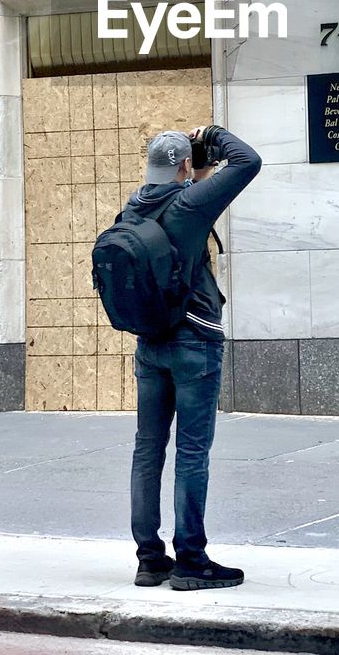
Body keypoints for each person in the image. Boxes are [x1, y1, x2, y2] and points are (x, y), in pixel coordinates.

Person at [126, 123, 262, 591]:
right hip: (195, 343)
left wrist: (194, 168)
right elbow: (248, 161)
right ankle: (191, 560)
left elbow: (179, 195)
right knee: (191, 450)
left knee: (148, 448)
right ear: (184, 166)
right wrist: (213, 132)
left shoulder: (135, 205)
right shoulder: (190, 204)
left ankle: (149, 560)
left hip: (150, 343)